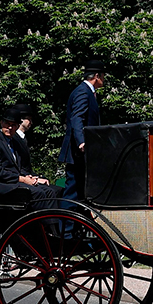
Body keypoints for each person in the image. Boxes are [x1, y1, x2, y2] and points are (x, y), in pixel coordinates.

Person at [0, 108, 61, 210]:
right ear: (1, 123)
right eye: (7, 124)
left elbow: (18, 167)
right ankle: (38, 220)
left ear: (17, 126)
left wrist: (31, 178)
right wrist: (23, 179)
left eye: (13, 125)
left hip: (13, 181)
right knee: (38, 193)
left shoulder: (14, 142)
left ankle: (53, 220)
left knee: (51, 191)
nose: (10, 127)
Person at [58, 59, 106, 204]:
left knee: (80, 192)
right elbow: (77, 118)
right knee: (72, 192)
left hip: (81, 152)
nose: (104, 79)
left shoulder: (87, 92)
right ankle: (65, 219)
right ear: (97, 76)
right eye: (103, 76)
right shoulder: (83, 92)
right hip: (77, 152)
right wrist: (81, 141)